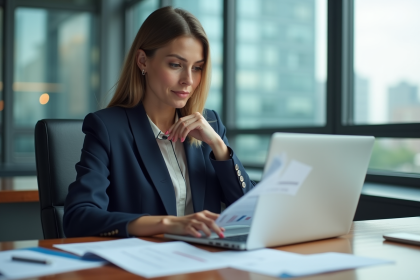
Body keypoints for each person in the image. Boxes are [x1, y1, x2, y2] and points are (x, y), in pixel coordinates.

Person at [63, 6, 254, 239]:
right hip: (143, 267)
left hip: (206, 264)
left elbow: (249, 212)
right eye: (176, 65)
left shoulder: (209, 125)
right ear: (143, 61)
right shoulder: (107, 128)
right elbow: (78, 218)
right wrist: (167, 224)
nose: (188, 80)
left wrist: (219, 146)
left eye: (198, 68)